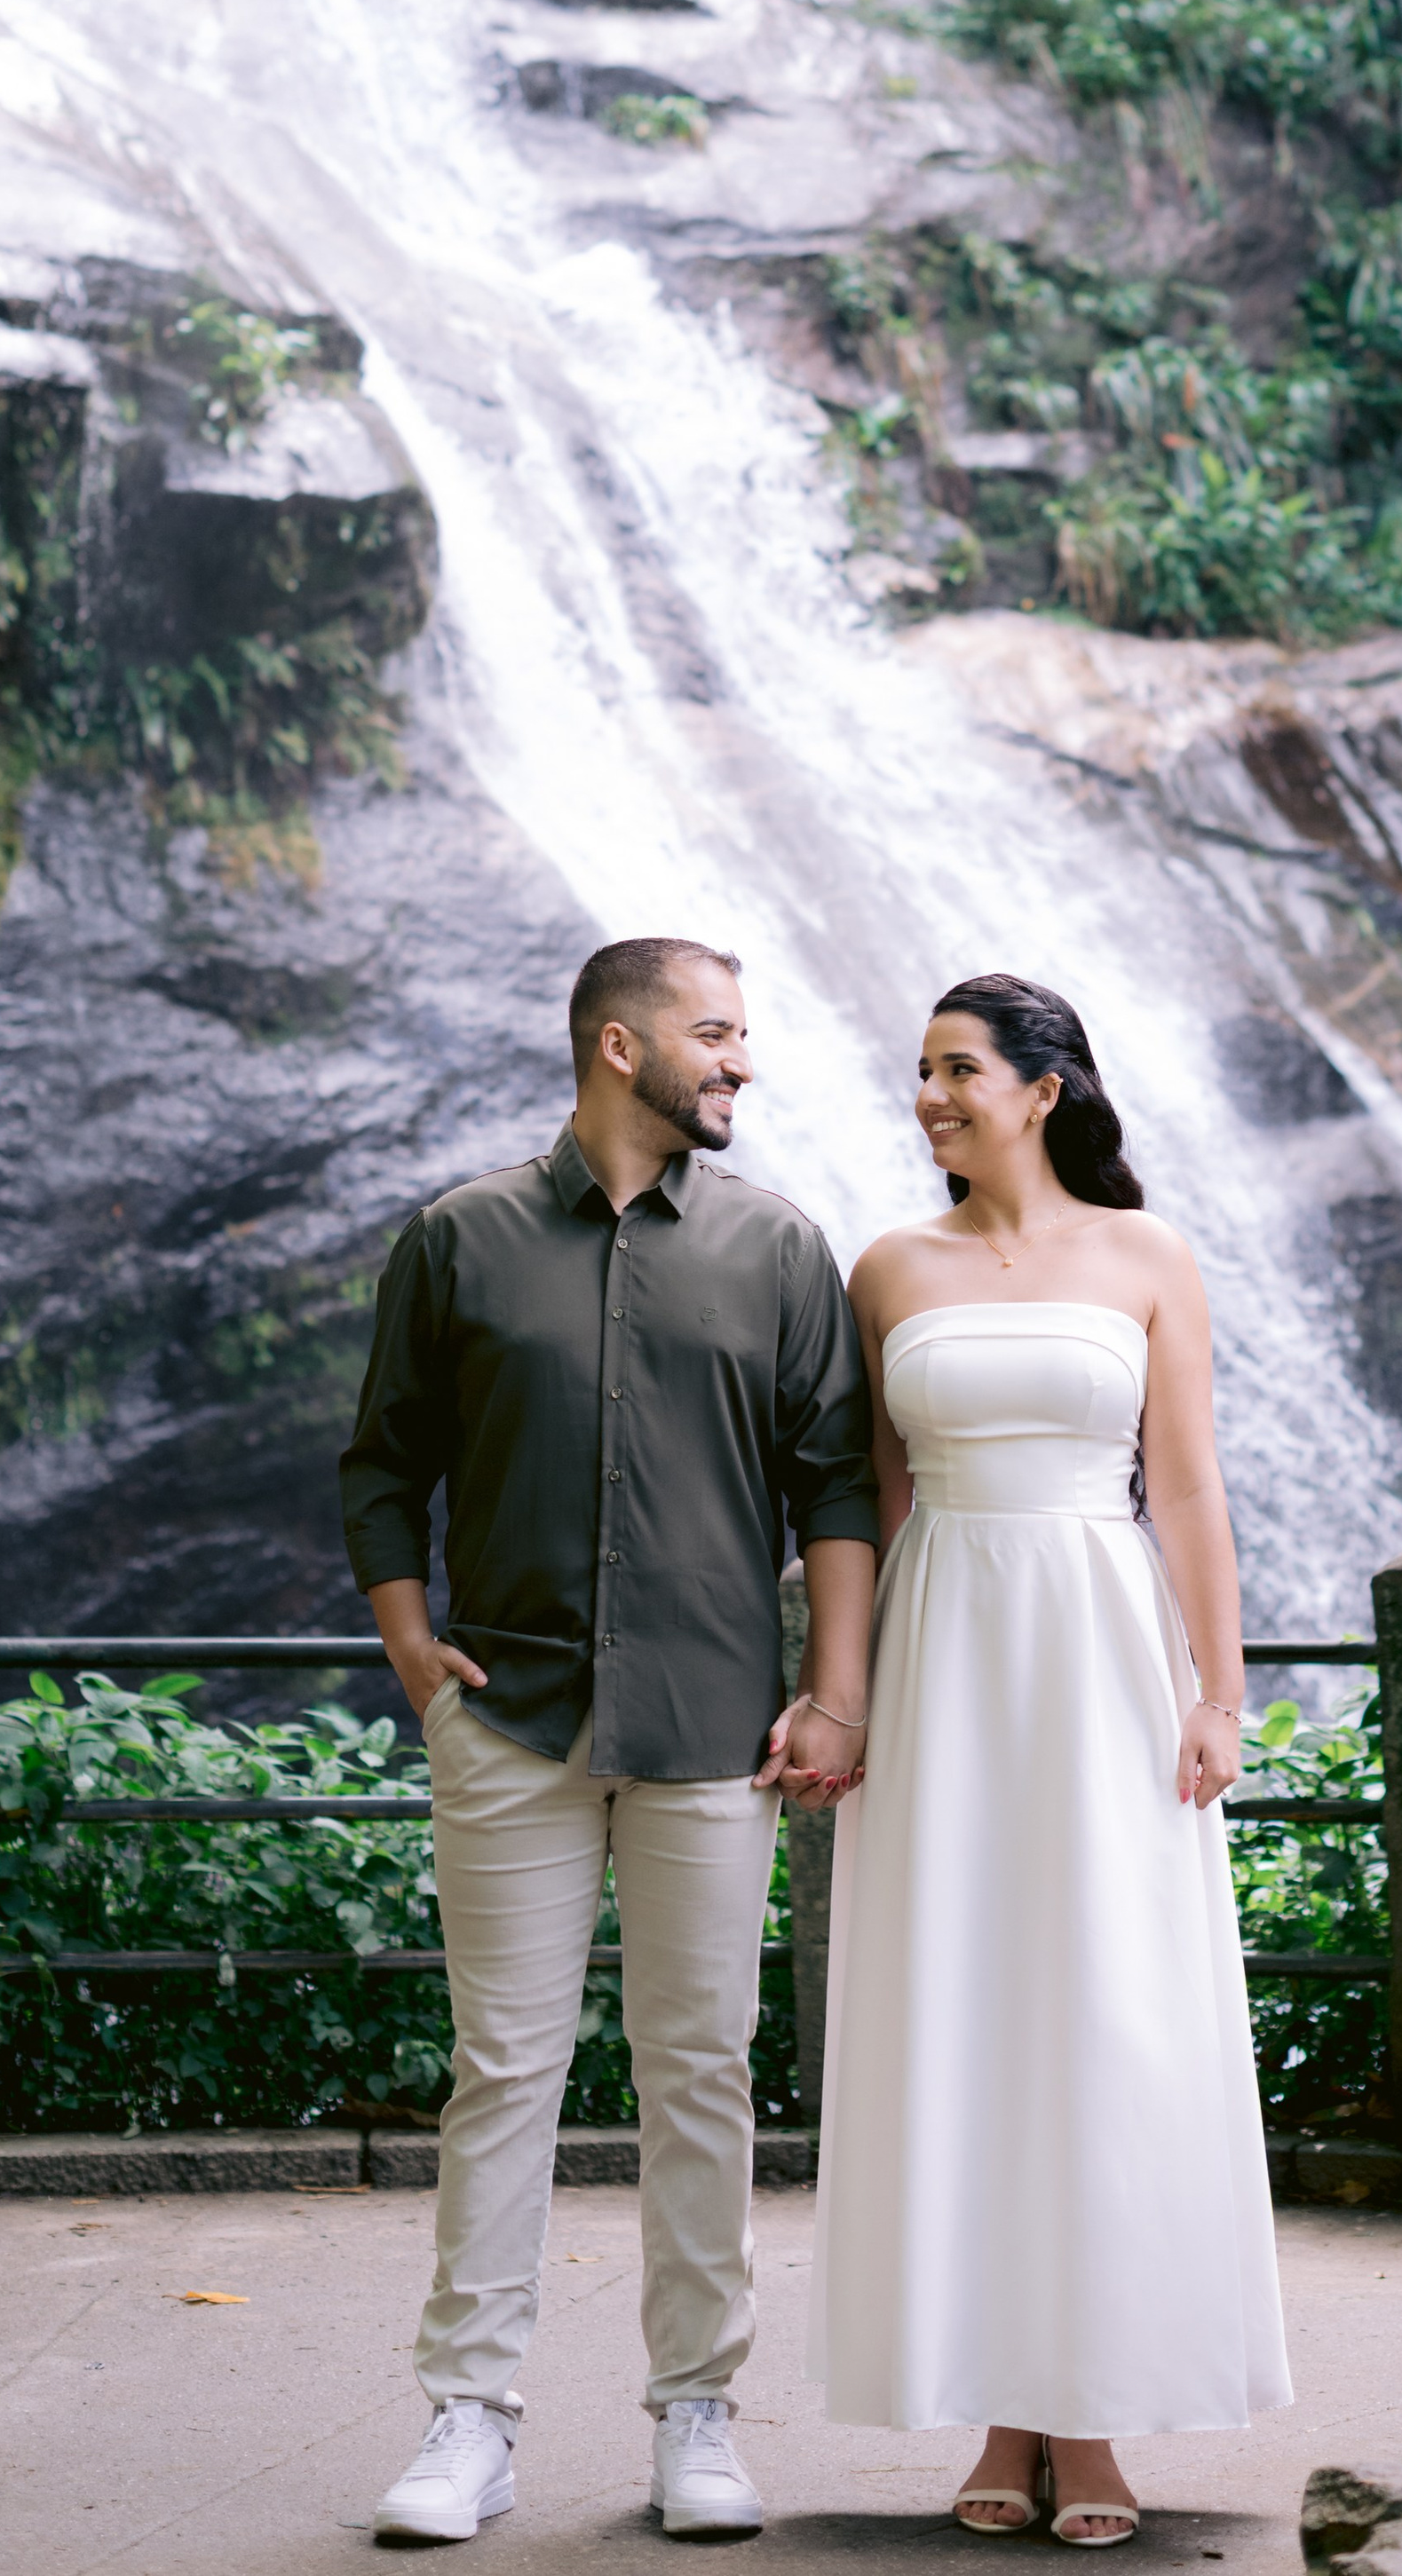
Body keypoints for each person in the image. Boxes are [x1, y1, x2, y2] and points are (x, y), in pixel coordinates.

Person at [342, 936, 877, 2545]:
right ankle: (468, 2418)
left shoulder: (781, 1251)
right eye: (717, 1035)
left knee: (700, 2076)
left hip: (716, 1726)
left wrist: (833, 1687)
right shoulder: (459, 1240)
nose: (743, 1063)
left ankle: (695, 2415)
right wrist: (406, 1643)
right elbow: (384, 1461)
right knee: (500, 2071)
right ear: (619, 1045)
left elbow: (838, 1484)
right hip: (508, 1721)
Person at [810, 971, 1291, 2542]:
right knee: (971, 2015)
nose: (932, 1095)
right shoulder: (886, 1269)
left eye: (959, 1069)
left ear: (1045, 1088)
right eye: (922, 1074)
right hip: (949, 1650)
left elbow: (1195, 1492)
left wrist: (1218, 1696)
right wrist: (851, 1697)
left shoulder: (1146, 1254)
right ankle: (1000, 2410)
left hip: (1101, 1649)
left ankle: (1089, 2422)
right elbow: (870, 1512)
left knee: (1103, 2011)